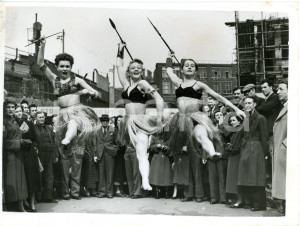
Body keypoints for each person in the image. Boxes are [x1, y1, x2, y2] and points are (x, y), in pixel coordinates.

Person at [165, 53, 246, 168]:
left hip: (196, 117)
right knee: (176, 143)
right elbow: (169, 71)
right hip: (181, 119)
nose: (189, 67)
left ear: (195, 71)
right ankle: (176, 161)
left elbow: (218, 97)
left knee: (201, 135)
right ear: (182, 70)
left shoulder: (199, 84)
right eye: (186, 65)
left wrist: (236, 109)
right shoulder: (178, 83)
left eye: (192, 66)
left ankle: (212, 153)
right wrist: (170, 57)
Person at [37, 35, 99, 155]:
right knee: (64, 143)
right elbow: (40, 63)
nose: (64, 69)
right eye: (62, 66)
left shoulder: (77, 81)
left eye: (67, 66)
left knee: (73, 124)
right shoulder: (54, 79)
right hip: (62, 113)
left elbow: (96, 92)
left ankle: (68, 139)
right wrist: (43, 45)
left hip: (76, 112)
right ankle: (66, 149)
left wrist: (88, 92)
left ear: (71, 67)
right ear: (57, 67)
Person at [116, 42, 164, 190]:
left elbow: (159, 99)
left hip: (141, 121)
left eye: (139, 68)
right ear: (129, 72)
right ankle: (143, 180)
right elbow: (119, 66)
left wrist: (159, 119)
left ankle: (145, 181)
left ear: (142, 71)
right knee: (137, 153)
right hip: (128, 122)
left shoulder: (143, 83)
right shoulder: (126, 85)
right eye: (133, 68)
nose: (136, 69)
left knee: (142, 152)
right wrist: (120, 50)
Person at [235, 97, 268, 211]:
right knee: (248, 176)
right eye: (246, 103)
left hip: (256, 148)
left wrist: (265, 153)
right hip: (247, 148)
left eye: (250, 103)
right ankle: (250, 203)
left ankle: (258, 204)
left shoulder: (260, 118)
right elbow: (245, 134)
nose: (247, 105)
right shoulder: (247, 118)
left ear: (254, 104)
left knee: (256, 175)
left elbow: (264, 137)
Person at [14, 104, 42, 212]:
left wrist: (34, 147)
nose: (19, 113)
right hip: (20, 152)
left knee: (32, 178)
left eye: (20, 111)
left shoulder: (29, 123)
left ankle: (32, 203)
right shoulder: (14, 124)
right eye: (16, 111)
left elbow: (34, 138)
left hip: (30, 153)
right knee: (23, 179)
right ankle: (24, 202)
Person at [3, 98, 28, 212]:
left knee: (20, 181)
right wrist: (20, 143)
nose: (11, 109)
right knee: (11, 182)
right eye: (8, 107)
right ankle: (9, 206)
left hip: (18, 153)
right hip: (9, 156)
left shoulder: (13, 120)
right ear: (4, 108)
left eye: (13, 107)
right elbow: (3, 142)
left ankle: (20, 205)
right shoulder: (3, 122)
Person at [257, 80, 282, 183]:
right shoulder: (266, 99)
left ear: (271, 87)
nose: (263, 89)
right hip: (266, 132)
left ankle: (274, 180)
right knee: (268, 155)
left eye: (265, 87)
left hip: (272, 131)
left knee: (272, 155)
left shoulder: (275, 97)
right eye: (262, 88)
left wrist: (254, 107)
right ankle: (269, 179)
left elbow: (265, 109)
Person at [33, 111, 59, 203]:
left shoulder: (49, 128)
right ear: (36, 118)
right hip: (39, 155)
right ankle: (38, 197)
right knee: (39, 175)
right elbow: (33, 141)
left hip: (49, 154)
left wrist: (55, 155)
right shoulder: (33, 128)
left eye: (42, 117)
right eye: (39, 117)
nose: (41, 119)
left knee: (49, 176)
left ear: (45, 118)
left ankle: (48, 197)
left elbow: (54, 142)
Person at [272, 80, 288, 215]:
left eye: (281, 89)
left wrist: (286, 145)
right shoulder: (285, 106)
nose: (278, 92)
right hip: (281, 151)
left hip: (286, 152)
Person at [95, 114, 118, 198]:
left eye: (106, 121)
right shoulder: (97, 131)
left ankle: (109, 192)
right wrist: (95, 154)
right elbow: (95, 143)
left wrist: (114, 149)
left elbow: (117, 142)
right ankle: (101, 192)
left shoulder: (113, 130)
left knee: (110, 174)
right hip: (100, 154)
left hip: (110, 154)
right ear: (101, 122)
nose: (105, 122)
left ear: (108, 122)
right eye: (103, 121)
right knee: (101, 174)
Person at [224, 115, 243, 205]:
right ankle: (235, 198)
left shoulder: (239, 130)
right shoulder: (234, 131)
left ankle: (240, 200)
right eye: (231, 121)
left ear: (239, 122)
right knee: (232, 178)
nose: (232, 122)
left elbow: (237, 146)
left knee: (236, 178)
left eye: (234, 120)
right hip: (232, 156)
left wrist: (229, 148)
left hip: (237, 156)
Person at [148, 133, 173, 199]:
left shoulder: (168, 136)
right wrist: (157, 146)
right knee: (157, 176)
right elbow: (151, 147)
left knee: (166, 176)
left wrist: (166, 148)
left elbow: (171, 146)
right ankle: (157, 192)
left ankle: (167, 192)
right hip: (157, 157)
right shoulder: (153, 136)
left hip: (166, 157)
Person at [113, 115, 127, 197]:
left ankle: (122, 190)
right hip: (117, 154)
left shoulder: (125, 131)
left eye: (121, 120)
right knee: (117, 172)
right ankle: (117, 190)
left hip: (124, 153)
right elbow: (111, 141)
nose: (120, 122)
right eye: (118, 120)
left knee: (123, 172)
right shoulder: (114, 131)